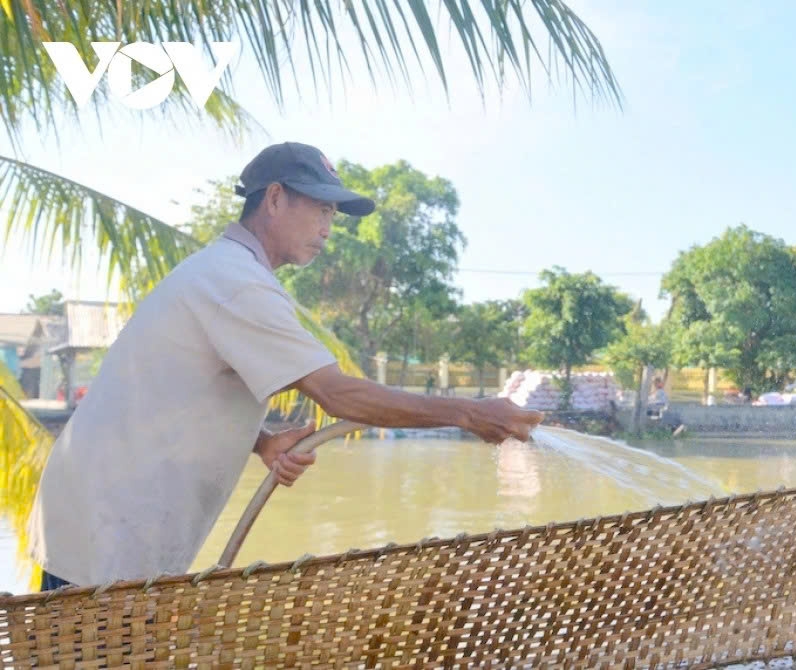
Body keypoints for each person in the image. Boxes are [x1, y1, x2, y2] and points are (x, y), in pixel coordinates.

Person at [27, 142, 544, 591]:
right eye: (320, 209)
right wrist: (468, 413)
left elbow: (174, 390)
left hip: (101, 511)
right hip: (110, 524)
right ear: (274, 198)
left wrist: (263, 439)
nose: (328, 227)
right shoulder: (235, 281)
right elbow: (336, 394)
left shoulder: (228, 272)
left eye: (333, 215)